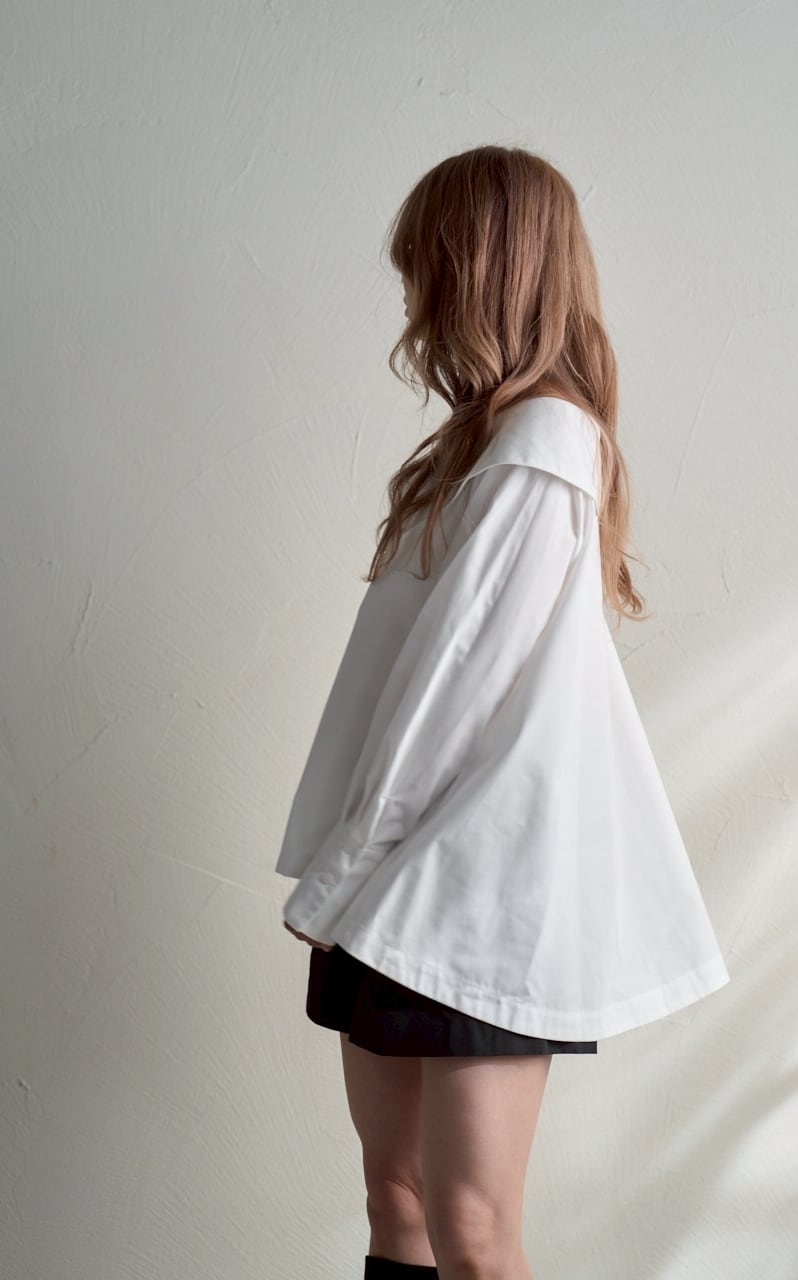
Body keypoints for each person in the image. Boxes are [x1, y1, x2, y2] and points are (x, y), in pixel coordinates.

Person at [276, 145, 731, 1280]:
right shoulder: (477, 450)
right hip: (401, 876)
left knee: (473, 1229)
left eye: (425, 263)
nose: (412, 292)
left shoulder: (544, 445)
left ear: (480, 267)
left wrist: (338, 874)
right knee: (395, 1203)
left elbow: (454, 687)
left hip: (479, 886)